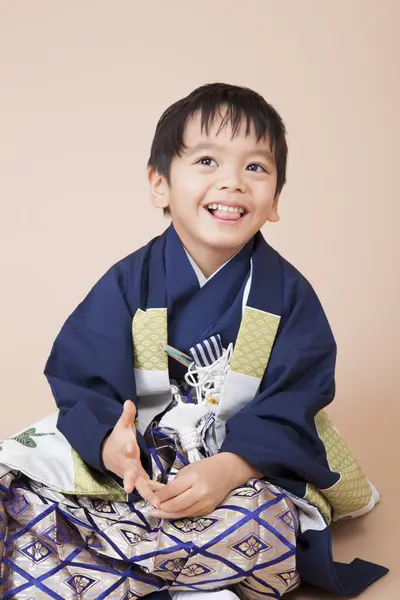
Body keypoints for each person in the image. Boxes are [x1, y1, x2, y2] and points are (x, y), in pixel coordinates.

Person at [18, 83, 386, 599]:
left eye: (256, 168)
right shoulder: (129, 282)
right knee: (19, 489)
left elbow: (295, 397)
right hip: (139, 464)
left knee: (263, 522)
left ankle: (119, 569)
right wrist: (109, 442)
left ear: (275, 200)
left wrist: (233, 468)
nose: (233, 182)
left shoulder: (288, 296)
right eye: (208, 160)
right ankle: (181, 572)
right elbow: (84, 372)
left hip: (240, 468)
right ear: (159, 184)